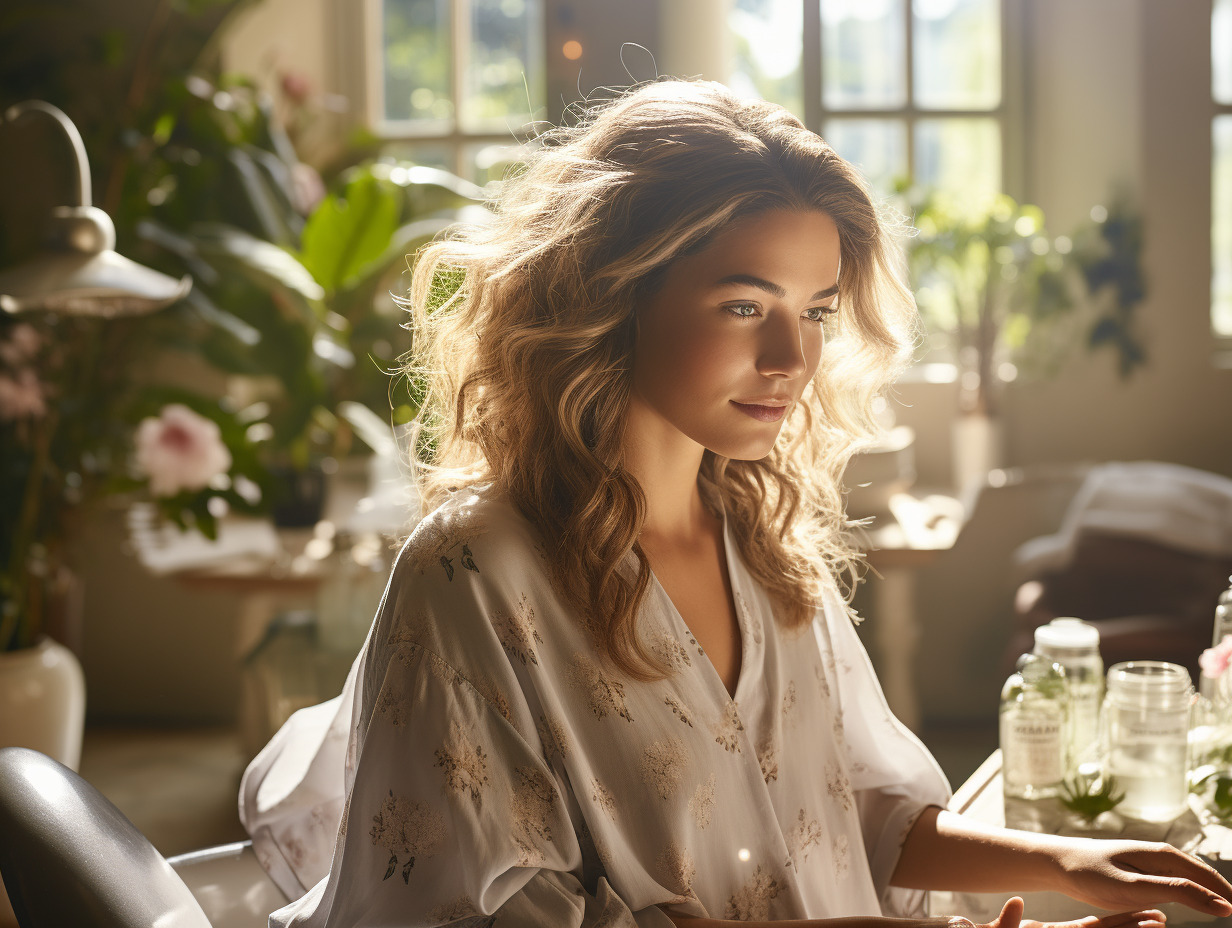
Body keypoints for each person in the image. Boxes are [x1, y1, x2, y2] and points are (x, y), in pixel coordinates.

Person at [239, 79, 1232, 928]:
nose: (790, 360)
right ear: (611, 292)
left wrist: (1057, 862)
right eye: (744, 306)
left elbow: (852, 805)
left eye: (813, 313)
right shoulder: (471, 571)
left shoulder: (767, 547)